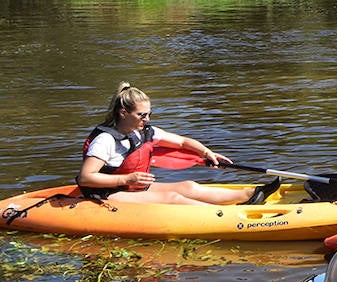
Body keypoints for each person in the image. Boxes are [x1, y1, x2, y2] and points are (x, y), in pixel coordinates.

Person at [78, 83, 274, 206]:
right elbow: (86, 178)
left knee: (189, 187)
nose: (147, 119)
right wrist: (127, 179)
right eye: (142, 115)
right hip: (108, 194)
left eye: (149, 114)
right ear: (123, 113)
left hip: (132, 188)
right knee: (174, 199)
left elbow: (182, 142)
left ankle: (249, 195)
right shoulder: (105, 140)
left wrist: (207, 153)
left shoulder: (145, 132)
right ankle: (227, 218)